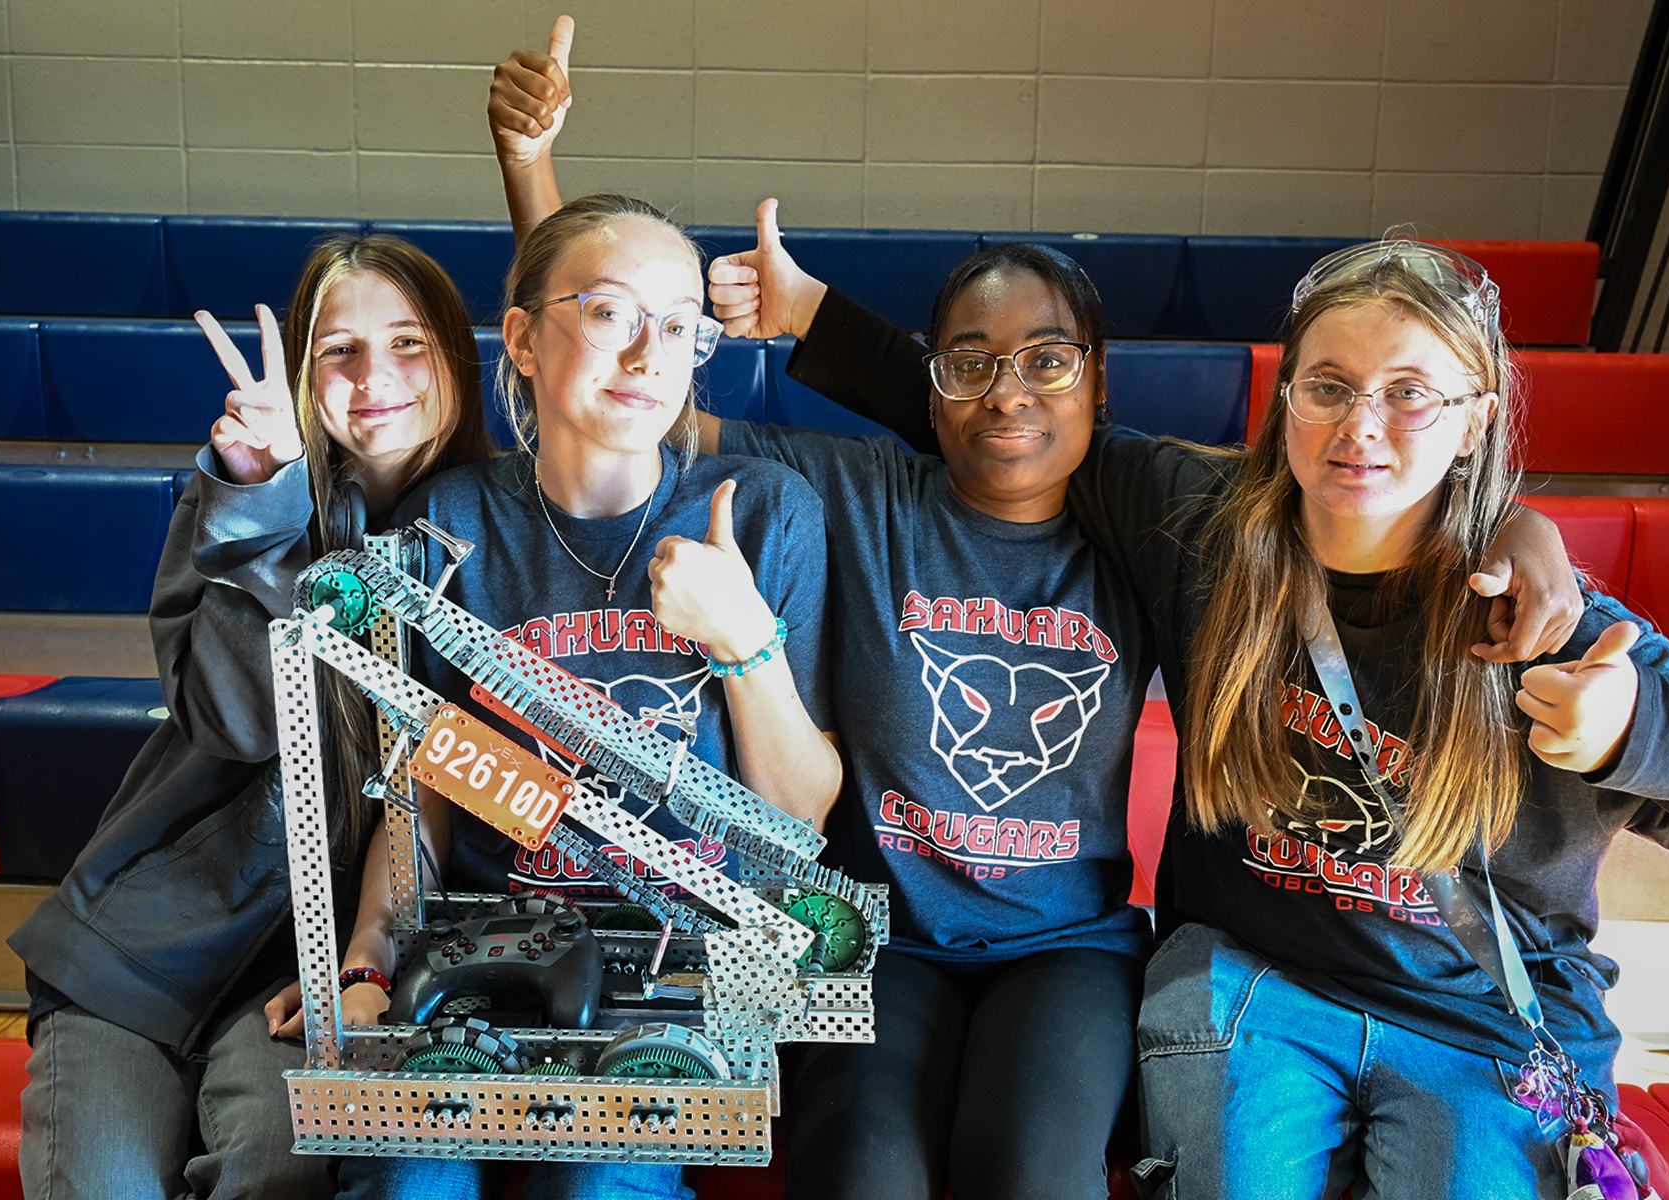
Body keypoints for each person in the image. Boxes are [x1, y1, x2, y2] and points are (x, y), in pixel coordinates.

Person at [489, 44, 1585, 1200]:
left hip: (1065, 951)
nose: (1010, 391)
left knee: (1034, 1172)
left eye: (1048, 361)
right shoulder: (855, 497)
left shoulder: (1159, 525)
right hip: (876, 938)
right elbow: (621, 395)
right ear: (936, 387)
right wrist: (533, 171)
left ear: (1096, 386)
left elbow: (1363, 492)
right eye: (973, 364)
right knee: (863, 1172)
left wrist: (1511, 527)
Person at [754, 235, 1669, 1198]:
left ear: (1478, 417)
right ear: (1285, 396)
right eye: (1329, 387)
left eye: (1411, 394)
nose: (1361, 426)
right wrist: (811, 313)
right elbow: (1008, 419)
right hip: (1255, 989)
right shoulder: (1202, 533)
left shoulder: (1545, 626)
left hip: (1476, 1023)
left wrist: (1632, 727)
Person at [327, 190, 839, 1200]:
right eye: (610, 313)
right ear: (521, 338)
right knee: (406, 1186)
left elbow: (798, 817)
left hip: (676, 969)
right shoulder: (450, 524)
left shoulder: (770, 514)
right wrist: (365, 965)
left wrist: (744, 643)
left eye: (682, 327)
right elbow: (416, 793)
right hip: (484, 948)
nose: (650, 355)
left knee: (599, 1186)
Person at [10, 233, 497, 1199]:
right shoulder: (246, 493)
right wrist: (266, 504)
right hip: (136, 953)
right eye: (338, 351)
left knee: (277, 1171)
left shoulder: (499, 535)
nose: (374, 377)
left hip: (307, 982)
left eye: (408, 343)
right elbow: (231, 717)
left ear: (457, 356)